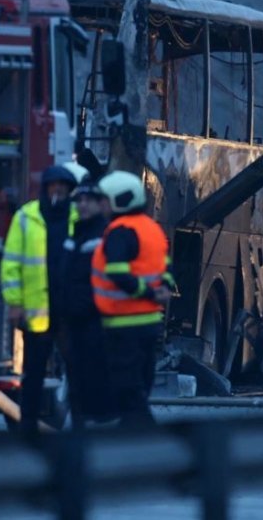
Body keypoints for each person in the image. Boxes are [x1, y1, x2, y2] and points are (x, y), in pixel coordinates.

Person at [1, 164, 80, 438]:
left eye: (63, 186)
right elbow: (11, 263)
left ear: (70, 190)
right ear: (45, 188)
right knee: (32, 375)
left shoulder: (77, 217)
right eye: (53, 185)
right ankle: (27, 429)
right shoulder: (26, 217)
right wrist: (14, 302)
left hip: (69, 312)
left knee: (77, 372)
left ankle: (79, 428)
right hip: (38, 313)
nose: (57, 189)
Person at [91, 171, 173, 428]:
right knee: (142, 381)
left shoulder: (119, 231)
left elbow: (117, 274)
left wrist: (147, 292)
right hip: (150, 322)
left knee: (127, 386)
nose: (100, 206)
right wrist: (161, 290)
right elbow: (165, 268)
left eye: (104, 200)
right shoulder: (152, 229)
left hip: (123, 323)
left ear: (120, 200)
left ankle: (140, 435)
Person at [59, 178, 113, 427]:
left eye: (88, 200)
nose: (82, 205)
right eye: (78, 200)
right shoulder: (76, 236)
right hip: (73, 323)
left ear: (100, 204)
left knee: (93, 383)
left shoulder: (102, 237)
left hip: (94, 323)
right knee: (76, 383)